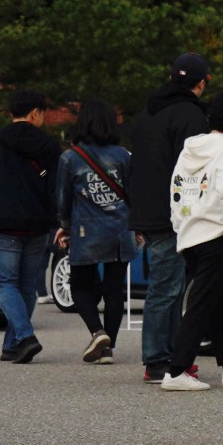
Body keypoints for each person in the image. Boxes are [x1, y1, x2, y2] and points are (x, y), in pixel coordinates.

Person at [157, 92, 223, 391]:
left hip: (189, 233)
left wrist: (180, 223)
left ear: (209, 118)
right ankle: (176, 371)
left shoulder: (189, 148)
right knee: (203, 302)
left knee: (216, 301)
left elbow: (176, 187)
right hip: (215, 233)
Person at [127, 54, 211, 382]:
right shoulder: (191, 114)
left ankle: (177, 353)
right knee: (166, 286)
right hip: (174, 210)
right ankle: (157, 358)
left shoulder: (148, 111)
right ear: (202, 82)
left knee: (173, 284)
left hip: (147, 208)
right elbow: (192, 167)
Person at [55, 99, 134, 363]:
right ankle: (108, 349)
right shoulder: (123, 155)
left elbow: (63, 200)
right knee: (114, 292)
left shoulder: (70, 158)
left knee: (79, 287)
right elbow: (134, 194)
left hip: (85, 231)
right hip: (120, 231)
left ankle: (97, 332)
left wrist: (64, 228)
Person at [0, 89, 63, 364]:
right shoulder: (49, 145)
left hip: (3, 221)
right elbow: (55, 185)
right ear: (35, 113)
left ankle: (24, 336)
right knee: (25, 285)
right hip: (38, 222)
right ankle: (12, 345)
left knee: (4, 283)